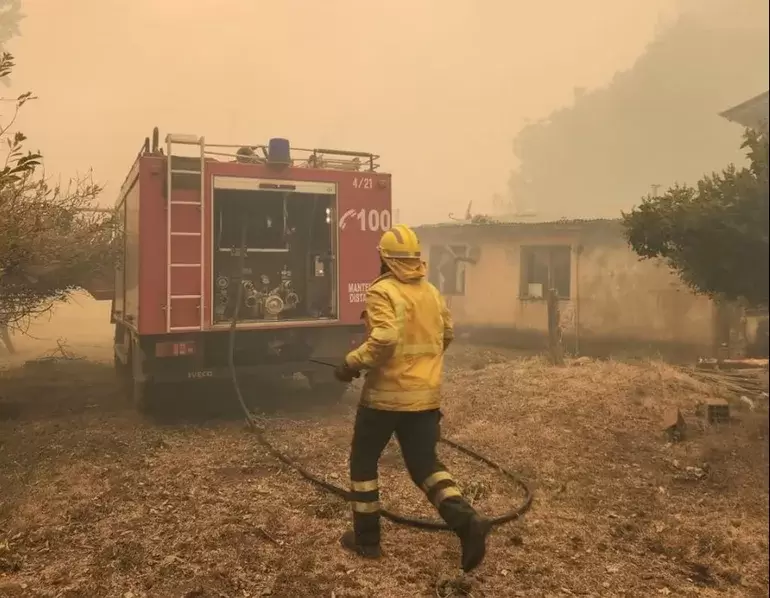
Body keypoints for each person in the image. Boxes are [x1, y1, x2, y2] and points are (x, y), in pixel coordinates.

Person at [334, 224, 491, 573]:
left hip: (384, 399)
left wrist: (351, 363)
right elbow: (446, 333)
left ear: (384, 258)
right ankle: (467, 523)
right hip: (425, 398)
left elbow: (385, 339)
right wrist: (424, 368)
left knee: (363, 465)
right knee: (425, 466)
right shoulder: (431, 292)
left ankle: (367, 542)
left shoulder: (382, 291)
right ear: (416, 259)